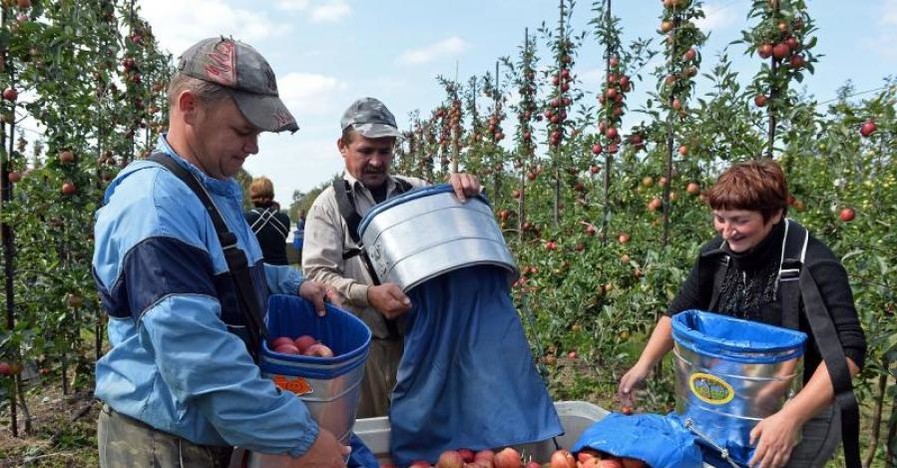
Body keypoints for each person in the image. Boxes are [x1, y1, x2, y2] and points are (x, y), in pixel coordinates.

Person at [92, 37, 347, 467]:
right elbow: (195, 354)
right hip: (164, 442)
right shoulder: (155, 204)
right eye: (243, 130)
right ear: (190, 107)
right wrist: (301, 438)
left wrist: (291, 282)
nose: (254, 147)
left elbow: (224, 272)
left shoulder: (209, 191)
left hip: (208, 434)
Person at [617, 160, 866, 468]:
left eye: (739, 220)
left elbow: (848, 353)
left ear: (775, 214)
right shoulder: (717, 256)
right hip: (728, 406)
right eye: (719, 218)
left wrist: (790, 418)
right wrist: (644, 363)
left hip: (800, 412)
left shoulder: (812, 265)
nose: (727, 230)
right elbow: (681, 309)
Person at [302, 97, 480, 418]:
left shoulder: (415, 193)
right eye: (365, 151)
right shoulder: (328, 207)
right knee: (368, 433)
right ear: (343, 146)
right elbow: (317, 276)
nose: (376, 161)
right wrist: (368, 295)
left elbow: (456, 221)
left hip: (419, 343)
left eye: (384, 151)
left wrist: (462, 188)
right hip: (363, 349)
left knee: (424, 432)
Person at [245, 176, 292, 265]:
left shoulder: (245, 219)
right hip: (282, 269)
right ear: (272, 195)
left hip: (258, 270)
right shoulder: (284, 219)